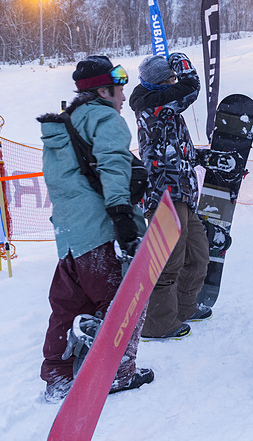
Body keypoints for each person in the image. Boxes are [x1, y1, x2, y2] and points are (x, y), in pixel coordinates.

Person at [38, 55, 152, 402]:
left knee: (67, 305)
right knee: (125, 301)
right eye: (119, 88)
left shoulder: (63, 127)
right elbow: (113, 165)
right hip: (100, 230)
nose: (122, 96)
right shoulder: (106, 119)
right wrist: (121, 217)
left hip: (68, 238)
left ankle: (57, 375)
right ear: (104, 90)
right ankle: (117, 372)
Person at [129, 53, 210, 340]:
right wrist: (183, 65)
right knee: (169, 261)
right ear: (162, 83)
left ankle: (184, 309)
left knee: (198, 254)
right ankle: (158, 324)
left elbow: (173, 147)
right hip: (165, 193)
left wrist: (201, 157)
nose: (175, 83)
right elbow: (191, 89)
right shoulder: (153, 105)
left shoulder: (166, 110)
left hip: (183, 191)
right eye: (171, 79)